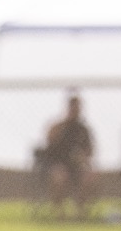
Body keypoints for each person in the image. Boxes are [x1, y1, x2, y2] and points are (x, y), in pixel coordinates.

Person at [38, 93, 96, 221]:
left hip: (76, 167)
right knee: (60, 175)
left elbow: (90, 151)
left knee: (88, 177)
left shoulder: (83, 129)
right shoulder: (59, 127)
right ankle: (59, 212)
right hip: (57, 165)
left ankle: (80, 212)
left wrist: (83, 158)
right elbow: (49, 145)